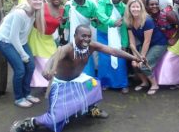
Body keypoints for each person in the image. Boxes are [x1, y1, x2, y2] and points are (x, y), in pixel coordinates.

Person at [10, 25, 143, 132]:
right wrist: (47, 69)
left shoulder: (92, 46)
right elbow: (54, 57)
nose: (86, 39)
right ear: (75, 36)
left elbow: (113, 51)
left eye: (89, 36)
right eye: (83, 36)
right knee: (55, 120)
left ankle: (91, 109)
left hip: (78, 80)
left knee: (94, 84)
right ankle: (30, 122)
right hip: (60, 85)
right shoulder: (68, 48)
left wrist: (134, 57)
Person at [0, 0, 45, 108]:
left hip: (21, 41)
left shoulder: (35, 13)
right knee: (20, 70)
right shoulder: (20, 13)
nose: (38, 2)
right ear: (28, 0)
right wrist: (23, 54)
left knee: (31, 66)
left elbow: (21, 35)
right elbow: (13, 37)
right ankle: (19, 98)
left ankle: (27, 94)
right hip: (6, 41)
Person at [124, 0, 167, 95]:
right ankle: (144, 82)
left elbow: (147, 41)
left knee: (143, 65)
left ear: (141, 8)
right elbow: (132, 42)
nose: (135, 9)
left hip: (158, 43)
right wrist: (135, 57)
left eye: (137, 7)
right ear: (129, 9)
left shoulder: (147, 20)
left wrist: (141, 58)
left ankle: (154, 84)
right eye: (133, 7)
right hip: (145, 44)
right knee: (134, 64)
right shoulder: (129, 21)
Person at [146, 0, 179, 89]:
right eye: (151, 4)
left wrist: (175, 39)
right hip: (166, 40)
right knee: (162, 60)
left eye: (156, 4)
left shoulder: (167, 14)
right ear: (147, 6)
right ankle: (169, 80)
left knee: (169, 60)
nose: (154, 6)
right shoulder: (150, 17)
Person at [96, 0, 130, 93]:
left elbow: (124, 27)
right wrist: (112, 22)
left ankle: (123, 84)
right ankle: (105, 83)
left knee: (120, 59)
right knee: (105, 59)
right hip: (103, 35)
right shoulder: (102, 1)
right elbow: (100, 14)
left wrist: (125, 44)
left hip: (118, 36)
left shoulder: (124, 8)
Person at [29, 0, 64, 87]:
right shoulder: (41, 6)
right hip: (36, 36)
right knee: (40, 62)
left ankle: (47, 83)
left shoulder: (62, 10)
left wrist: (63, 24)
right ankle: (42, 84)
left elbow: (61, 26)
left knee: (52, 61)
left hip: (49, 38)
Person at [62, 0, 97, 76]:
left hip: (86, 36)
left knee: (86, 55)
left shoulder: (91, 5)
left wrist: (96, 21)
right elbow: (65, 24)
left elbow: (95, 23)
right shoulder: (69, 5)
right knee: (73, 55)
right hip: (73, 35)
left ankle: (89, 77)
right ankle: (76, 78)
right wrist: (63, 22)